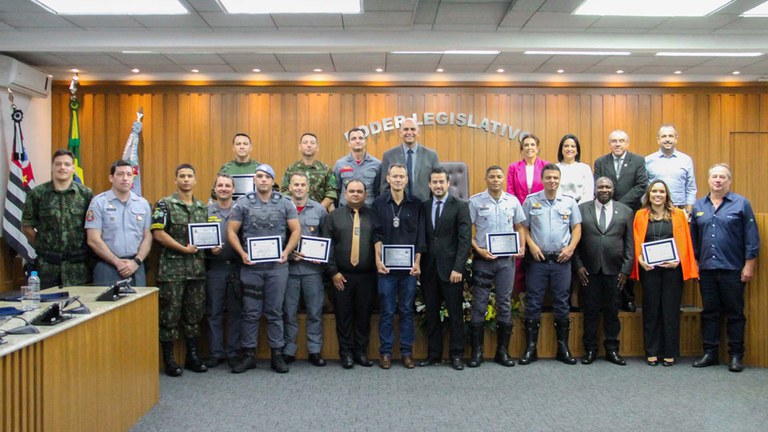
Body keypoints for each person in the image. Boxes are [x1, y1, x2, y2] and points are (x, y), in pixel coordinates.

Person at [227, 164, 301, 374]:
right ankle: (249, 355)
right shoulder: (243, 203)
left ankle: (276, 355)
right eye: (259, 176)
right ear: (254, 180)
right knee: (250, 312)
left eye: (267, 177)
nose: (262, 180)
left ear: (273, 180)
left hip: (277, 267)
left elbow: (296, 230)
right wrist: (242, 253)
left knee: (275, 312)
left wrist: (287, 251)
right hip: (251, 267)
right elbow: (231, 231)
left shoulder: (285, 202)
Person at [691, 164, 759, 373]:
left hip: (732, 269)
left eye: (722, 177)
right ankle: (710, 353)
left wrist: (749, 264)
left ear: (729, 181)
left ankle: (736, 356)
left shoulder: (741, 204)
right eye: (714, 177)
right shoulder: (699, 205)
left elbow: (752, 236)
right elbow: (693, 239)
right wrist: (695, 264)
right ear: (709, 180)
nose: (718, 180)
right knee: (709, 312)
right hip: (707, 269)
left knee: (735, 313)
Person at [631, 180, 698, 367]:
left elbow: (685, 241)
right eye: (654, 191)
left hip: (673, 271)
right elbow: (635, 241)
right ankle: (651, 351)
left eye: (661, 191)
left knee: (670, 311)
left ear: (667, 194)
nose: (657, 195)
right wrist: (639, 260)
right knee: (651, 311)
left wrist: (679, 261)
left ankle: (669, 352)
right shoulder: (640, 215)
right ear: (649, 195)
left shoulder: (678, 215)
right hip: (649, 270)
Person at [520, 163, 582, 365]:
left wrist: (571, 248)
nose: (552, 181)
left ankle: (563, 349)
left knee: (561, 303)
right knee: (533, 303)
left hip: (561, 261)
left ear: (559, 179)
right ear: (542, 179)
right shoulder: (531, 201)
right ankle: (531, 349)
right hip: (538, 260)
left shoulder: (569, 202)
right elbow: (523, 228)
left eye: (555, 178)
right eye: (548, 178)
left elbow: (577, 228)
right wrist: (531, 246)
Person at [150, 163, 208, 377]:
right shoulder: (164, 205)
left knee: (194, 315)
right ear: (175, 180)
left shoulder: (203, 207)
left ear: (195, 180)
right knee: (169, 315)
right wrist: (183, 249)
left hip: (196, 271)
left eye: (189, 176)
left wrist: (214, 244)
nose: (185, 179)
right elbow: (158, 233)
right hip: (172, 271)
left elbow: (207, 235)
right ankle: (169, 360)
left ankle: (192, 356)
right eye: (181, 176)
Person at [467, 165, 526, 368]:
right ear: (486, 178)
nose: (495, 180)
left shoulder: (513, 201)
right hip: (484, 259)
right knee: (479, 305)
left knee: (504, 304)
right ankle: (477, 353)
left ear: (503, 179)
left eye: (499, 176)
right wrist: (478, 250)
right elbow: (467, 231)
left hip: (506, 262)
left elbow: (520, 226)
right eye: (491, 176)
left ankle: (503, 352)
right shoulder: (475, 202)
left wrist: (522, 246)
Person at [573, 177, 633, 366]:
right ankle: (590, 350)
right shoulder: (582, 209)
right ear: (595, 189)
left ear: (613, 189)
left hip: (615, 272)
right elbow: (574, 241)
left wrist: (625, 270)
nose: (604, 189)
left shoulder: (625, 211)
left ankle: (612, 349)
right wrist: (579, 266)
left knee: (612, 312)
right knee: (590, 312)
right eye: (600, 186)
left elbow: (630, 244)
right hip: (588, 271)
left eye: (607, 187)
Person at [372, 163, 425, 369]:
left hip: (409, 269)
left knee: (406, 310)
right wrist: (378, 259)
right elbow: (376, 233)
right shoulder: (378, 203)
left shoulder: (416, 203)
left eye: (401, 176)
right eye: (394, 176)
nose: (398, 180)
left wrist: (418, 262)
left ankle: (406, 352)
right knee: (386, 311)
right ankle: (385, 353)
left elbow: (420, 235)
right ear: (388, 179)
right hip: (386, 269)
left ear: (406, 179)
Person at [419, 167, 472, 370]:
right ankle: (434, 354)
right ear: (429, 185)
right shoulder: (423, 207)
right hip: (428, 269)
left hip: (452, 271)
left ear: (448, 183)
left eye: (442, 182)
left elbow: (464, 239)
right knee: (431, 314)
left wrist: (458, 267)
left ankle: (457, 355)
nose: (438, 185)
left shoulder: (460, 206)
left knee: (455, 314)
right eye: (434, 182)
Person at [321, 179, 378, 369]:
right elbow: (326, 247)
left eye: (359, 191)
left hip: (367, 276)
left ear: (365, 194)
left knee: (363, 316)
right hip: (341, 276)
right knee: (343, 317)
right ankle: (345, 354)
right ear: (345, 194)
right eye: (352, 191)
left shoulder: (373, 216)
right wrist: (333, 272)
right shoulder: (333, 217)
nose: (355, 194)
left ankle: (360, 353)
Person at [593, 129, 648, 312]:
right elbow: (598, 184)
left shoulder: (638, 161)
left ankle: (628, 297)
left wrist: (618, 205)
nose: (618, 144)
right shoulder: (601, 162)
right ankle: (608, 298)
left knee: (627, 252)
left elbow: (641, 185)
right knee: (609, 253)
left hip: (629, 213)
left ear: (627, 143)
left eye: (621, 141)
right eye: (614, 141)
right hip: (603, 213)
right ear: (609, 143)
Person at [22, 149, 93, 289]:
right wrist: (43, 246)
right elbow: (27, 227)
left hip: (78, 267)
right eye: (58, 164)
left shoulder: (86, 194)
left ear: (73, 168)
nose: (62, 167)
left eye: (67, 164)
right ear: (52, 167)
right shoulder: (37, 194)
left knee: (78, 306)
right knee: (46, 307)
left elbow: (92, 227)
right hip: (48, 266)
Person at [282, 172, 328, 367]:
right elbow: (278, 236)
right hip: (289, 270)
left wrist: (322, 257)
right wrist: (289, 253)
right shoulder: (282, 208)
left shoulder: (319, 210)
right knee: (289, 312)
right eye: (296, 184)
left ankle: (315, 351)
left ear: (308, 187)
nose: (299, 188)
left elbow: (327, 237)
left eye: (303, 184)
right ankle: (288, 350)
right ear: (290, 187)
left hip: (312, 271)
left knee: (315, 312)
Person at [85, 159, 152, 286]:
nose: (125, 178)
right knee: (108, 305)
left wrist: (136, 261)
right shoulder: (98, 202)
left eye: (129, 175)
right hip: (108, 266)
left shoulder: (142, 203)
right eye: (120, 174)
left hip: (136, 267)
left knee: (139, 305)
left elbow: (147, 237)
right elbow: (93, 239)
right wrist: (118, 262)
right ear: (111, 178)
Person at [202, 173, 242, 369]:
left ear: (234, 190)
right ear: (215, 189)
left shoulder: (241, 211)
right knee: (214, 312)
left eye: (228, 185)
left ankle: (234, 352)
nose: (224, 188)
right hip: (215, 268)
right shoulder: (205, 210)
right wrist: (208, 248)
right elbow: (197, 237)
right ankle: (216, 352)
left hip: (237, 268)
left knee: (236, 312)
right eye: (220, 185)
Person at [380, 118, 440, 202]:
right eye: (405, 129)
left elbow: (437, 183)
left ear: (418, 132)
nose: (409, 132)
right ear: (400, 133)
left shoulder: (431, 155)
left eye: (413, 129)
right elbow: (384, 187)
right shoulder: (388, 155)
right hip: (398, 207)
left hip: (424, 206)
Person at [645, 124, 697, 213]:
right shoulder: (648, 160)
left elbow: (691, 188)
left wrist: (688, 212)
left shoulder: (686, 160)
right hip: (655, 210)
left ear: (676, 139)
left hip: (679, 209)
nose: (667, 139)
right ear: (658, 140)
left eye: (671, 136)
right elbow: (644, 188)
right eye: (664, 136)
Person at [281, 132, 338, 211]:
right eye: (305, 142)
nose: (308, 145)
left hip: (319, 213)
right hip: (295, 213)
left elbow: (332, 193)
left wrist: (319, 209)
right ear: (299, 147)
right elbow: (285, 191)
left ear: (317, 147)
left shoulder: (326, 169)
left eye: (312, 143)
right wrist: (294, 208)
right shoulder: (291, 169)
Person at [333, 127, 381, 207]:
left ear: (365, 142)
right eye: (353, 139)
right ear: (349, 143)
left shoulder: (377, 164)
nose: (357, 141)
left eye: (361, 138)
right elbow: (337, 189)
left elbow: (378, 190)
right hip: (345, 210)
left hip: (369, 210)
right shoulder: (340, 164)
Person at [506, 132, 549, 205]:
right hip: (520, 209)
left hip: (541, 207)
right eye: (526, 145)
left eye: (532, 145)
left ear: (537, 149)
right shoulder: (513, 167)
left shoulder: (546, 166)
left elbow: (549, 188)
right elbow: (510, 191)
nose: (529, 147)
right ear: (522, 150)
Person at [556, 134, 593, 204]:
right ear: (561, 149)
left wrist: (577, 208)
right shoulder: (555, 168)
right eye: (566, 146)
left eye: (573, 146)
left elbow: (588, 193)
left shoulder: (585, 168)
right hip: (559, 207)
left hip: (580, 208)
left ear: (577, 151)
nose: (569, 149)